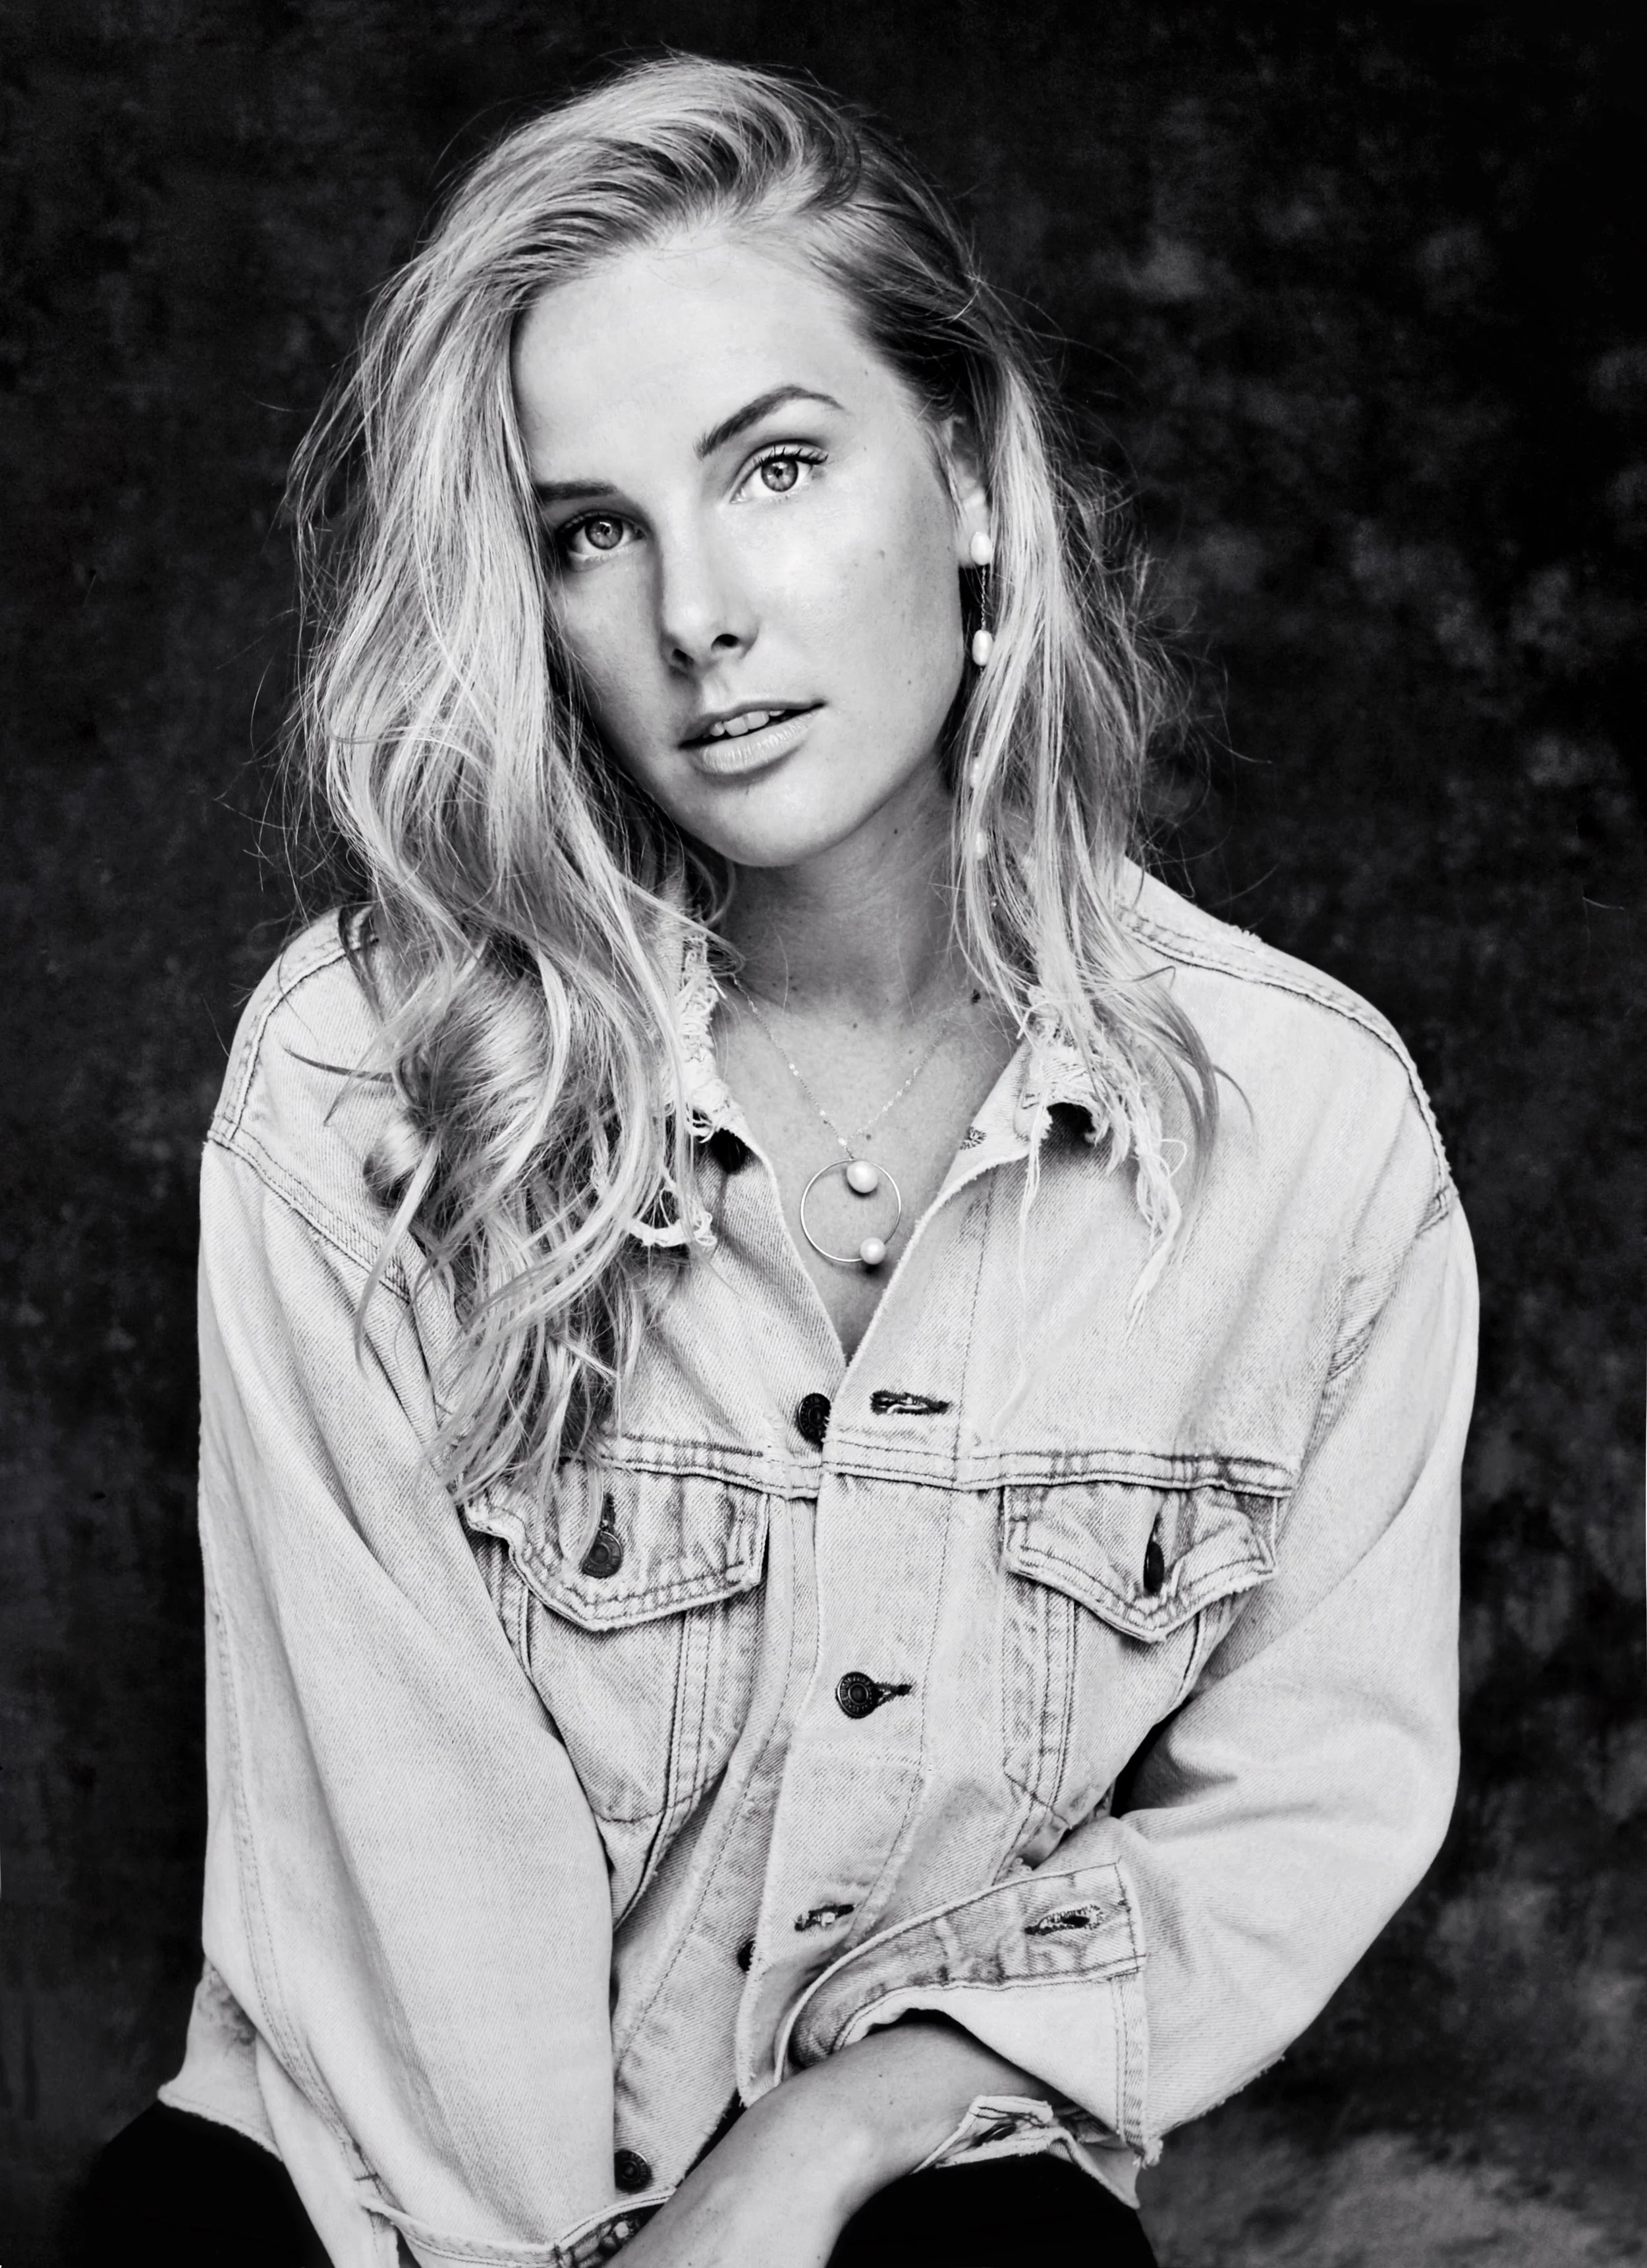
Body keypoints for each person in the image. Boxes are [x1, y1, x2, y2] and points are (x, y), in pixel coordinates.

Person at [79, 53, 1476, 2268]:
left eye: (779, 469)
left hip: (922, 2188)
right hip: (361, 2183)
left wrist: (836, 2138)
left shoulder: (1305, 1135)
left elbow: (1307, 1798)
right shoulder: (363, 1082)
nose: (697, 615)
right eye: (591, 533)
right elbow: (410, 1900)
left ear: (968, 474)